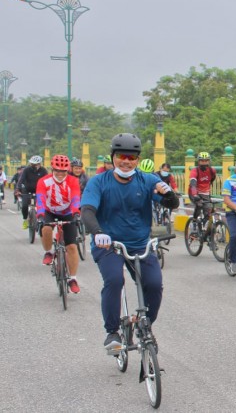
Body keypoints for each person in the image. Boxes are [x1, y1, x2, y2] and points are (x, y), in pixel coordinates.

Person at [81, 133, 180, 350]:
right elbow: (87, 211)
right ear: (113, 157)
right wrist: (97, 232)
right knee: (115, 280)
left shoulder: (148, 180)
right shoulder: (99, 182)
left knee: (154, 285)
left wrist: (168, 194)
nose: (126, 161)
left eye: (131, 157)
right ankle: (112, 332)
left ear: (137, 159)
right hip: (109, 244)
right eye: (121, 156)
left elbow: (171, 203)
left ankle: (145, 325)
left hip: (139, 244)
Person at [37, 155, 82, 293]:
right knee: (46, 229)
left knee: (72, 247)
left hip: (67, 212)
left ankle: (72, 279)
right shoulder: (43, 181)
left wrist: (75, 213)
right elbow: (40, 199)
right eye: (57, 170)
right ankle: (48, 252)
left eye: (63, 171)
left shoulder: (73, 180)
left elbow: (75, 197)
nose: (60, 174)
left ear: (67, 170)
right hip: (50, 211)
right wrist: (40, 215)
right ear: (52, 169)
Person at [188, 152, 217, 239]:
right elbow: (193, 183)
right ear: (198, 162)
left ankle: (205, 230)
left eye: (206, 161)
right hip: (194, 192)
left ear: (209, 161)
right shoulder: (195, 171)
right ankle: (194, 222)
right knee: (199, 204)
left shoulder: (212, 170)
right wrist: (195, 194)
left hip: (205, 193)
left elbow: (211, 180)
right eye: (202, 161)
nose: (204, 163)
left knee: (208, 210)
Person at [17, 156, 48, 229]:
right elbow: (21, 180)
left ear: (40, 164)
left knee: (42, 206)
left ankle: (40, 220)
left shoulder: (43, 170)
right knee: (24, 206)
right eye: (32, 164)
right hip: (27, 190)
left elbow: (47, 180)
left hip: (39, 191)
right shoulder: (26, 170)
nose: (34, 166)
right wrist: (18, 189)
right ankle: (25, 219)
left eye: (36, 164)